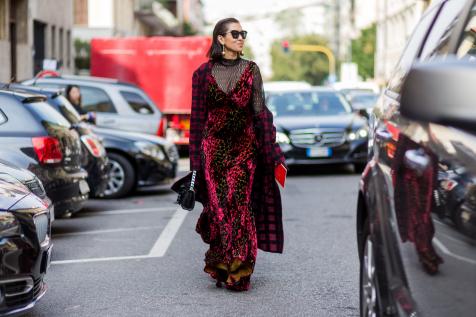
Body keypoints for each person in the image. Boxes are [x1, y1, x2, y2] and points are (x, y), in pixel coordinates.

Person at [189, 17, 285, 291]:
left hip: (245, 149)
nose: (241, 37)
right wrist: (195, 164)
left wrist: (272, 150)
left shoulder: (251, 70)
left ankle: (240, 268)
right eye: (235, 33)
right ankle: (222, 262)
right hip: (214, 149)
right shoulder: (202, 74)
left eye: (243, 33)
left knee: (240, 205)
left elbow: (260, 113)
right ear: (220, 38)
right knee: (220, 208)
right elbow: (197, 122)